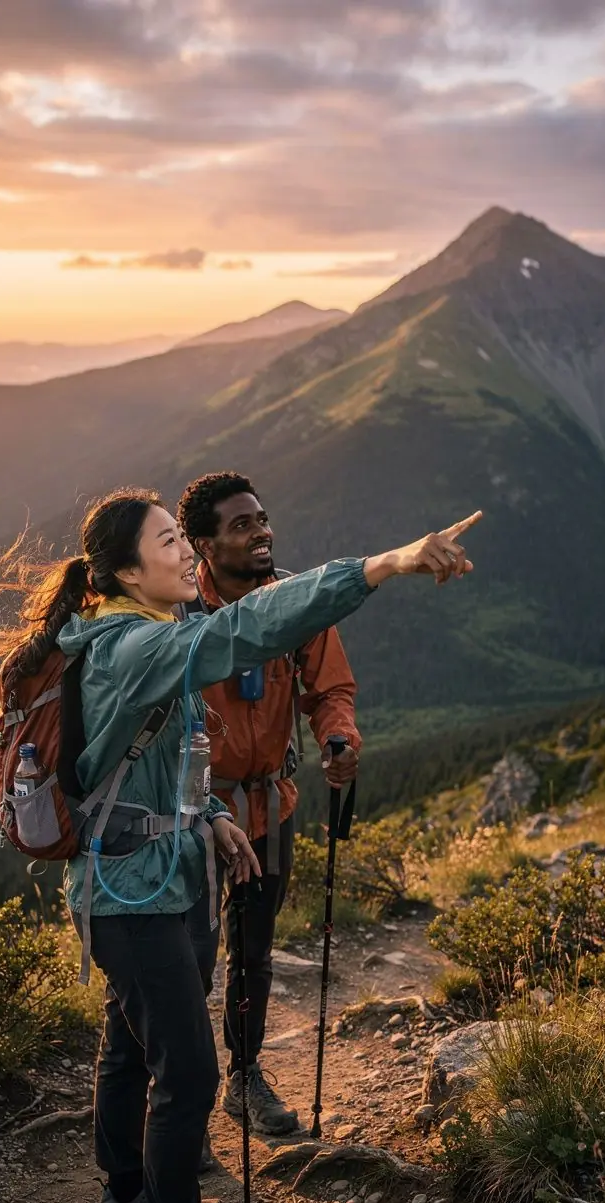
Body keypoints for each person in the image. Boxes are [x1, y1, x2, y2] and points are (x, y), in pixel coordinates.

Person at [0, 486, 481, 1203]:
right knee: (188, 1067)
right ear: (123, 572)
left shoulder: (153, 633)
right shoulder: (125, 649)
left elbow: (169, 759)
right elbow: (247, 627)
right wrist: (385, 564)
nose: (186, 553)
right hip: (128, 895)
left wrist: (212, 816)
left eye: (185, 538)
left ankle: (127, 1201)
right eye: (170, 541)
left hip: (161, 879)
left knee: (129, 1043)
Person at [176, 471, 361, 1144]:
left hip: (267, 807)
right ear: (203, 545)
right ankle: (181, 1102)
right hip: (193, 817)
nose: (261, 533)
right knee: (190, 959)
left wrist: (339, 737)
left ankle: (243, 1074)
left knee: (252, 953)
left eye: (261, 520)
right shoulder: (177, 618)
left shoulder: (294, 605)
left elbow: (329, 689)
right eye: (241, 526)